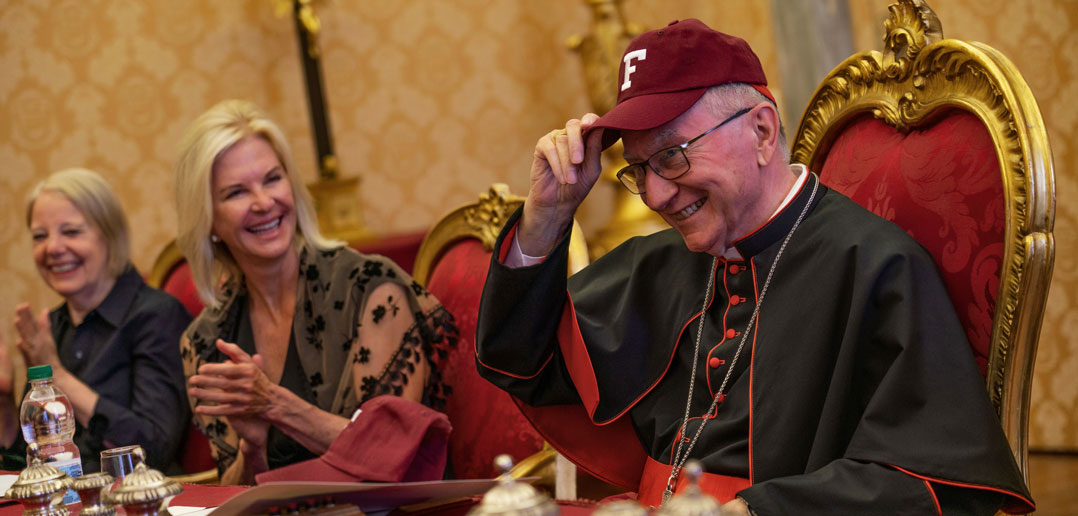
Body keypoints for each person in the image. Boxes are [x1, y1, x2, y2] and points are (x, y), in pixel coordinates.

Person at [475, 19, 1034, 515]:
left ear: (762, 131)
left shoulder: (874, 267)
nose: (655, 195)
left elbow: (936, 482)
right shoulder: (657, 262)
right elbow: (520, 361)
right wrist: (548, 218)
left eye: (671, 155)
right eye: (639, 168)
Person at [174, 99, 457, 485]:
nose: (263, 202)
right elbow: (233, 491)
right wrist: (251, 449)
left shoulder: (372, 291)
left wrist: (274, 404)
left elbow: (393, 456)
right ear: (208, 220)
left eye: (273, 179)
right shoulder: (206, 340)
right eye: (237, 192)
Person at [0, 168, 191, 474]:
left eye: (71, 232)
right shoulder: (53, 325)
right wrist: (4, 401)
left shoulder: (157, 315)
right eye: (40, 236)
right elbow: (28, 466)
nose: (53, 248)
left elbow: (153, 449)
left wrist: (59, 379)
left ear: (110, 235)